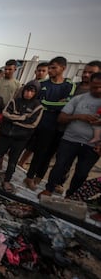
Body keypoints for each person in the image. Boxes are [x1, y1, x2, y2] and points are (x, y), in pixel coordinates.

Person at [39, 72, 101, 198]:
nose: (98, 90)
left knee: (82, 173)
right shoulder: (78, 99)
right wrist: (79, 116)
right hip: (70, 140)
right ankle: (48, 189)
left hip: (92, 145)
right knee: (60, 166)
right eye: (94, 86)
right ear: (89, 85)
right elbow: (61, 118)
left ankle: (71, 196)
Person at [24, 56, 75, 190]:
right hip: (43, 123)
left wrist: (51, 104)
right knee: (38, 151)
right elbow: (41, 103)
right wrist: (57, 103)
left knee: (49, 154)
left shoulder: (69, 85)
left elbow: (67, 103)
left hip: (58, 126)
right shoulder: (44, 85)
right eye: (50, 68)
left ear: (63, 68)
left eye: (54, 68)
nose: (50, 70)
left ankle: (39, 177)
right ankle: (29, 177)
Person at [0, 81, 43, 192]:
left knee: (13, 161)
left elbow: (32, 124)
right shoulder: (14, 101)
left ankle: (7, 180)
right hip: (6, 135)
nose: (28, 93)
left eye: (32, 91)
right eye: (27, 90)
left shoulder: (38, 107)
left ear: (36, 93)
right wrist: (22, 117)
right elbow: (6, 114)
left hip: (20, 138)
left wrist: (15, 119)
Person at [18, 62, 50, 168]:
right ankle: (14, 158)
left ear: (47, 72)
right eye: (39, 70)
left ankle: (22, 162)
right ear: (35, 71)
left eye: (43, 71)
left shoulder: (46, 87)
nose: (40, 73)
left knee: (31, 144)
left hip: (36, 118)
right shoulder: (29, 84)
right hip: (22, 115)